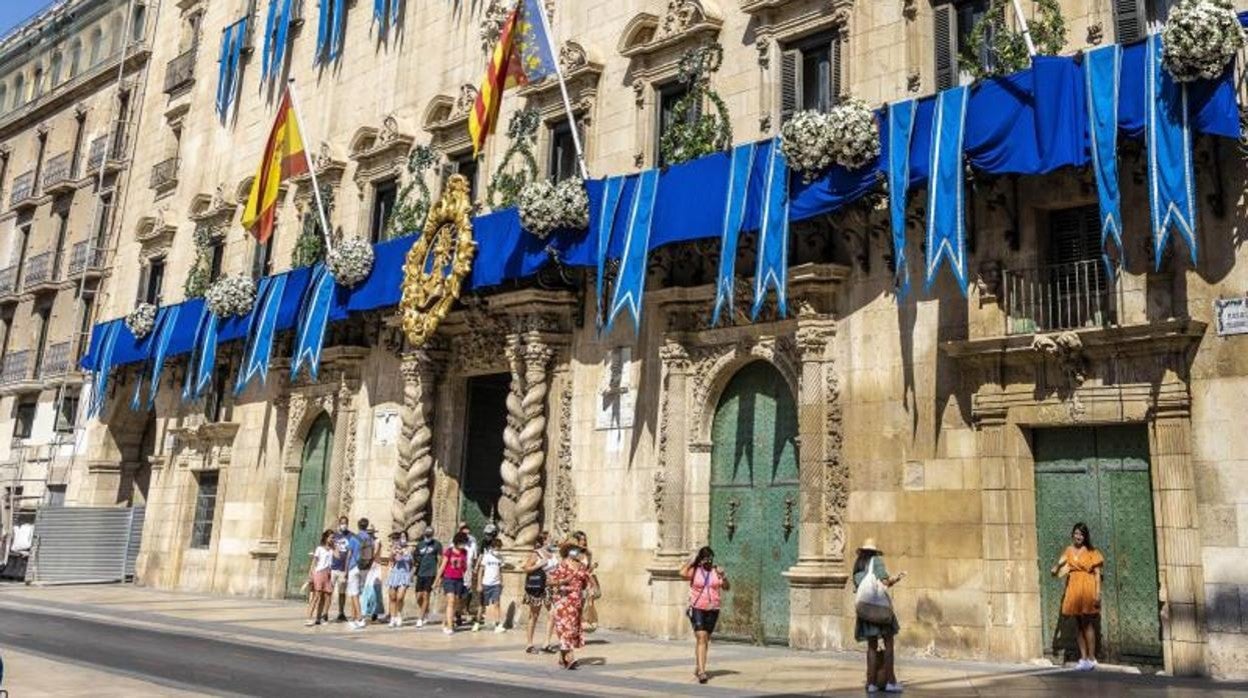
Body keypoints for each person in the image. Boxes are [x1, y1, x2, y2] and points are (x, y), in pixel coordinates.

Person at [1050, 522, 1104, 671]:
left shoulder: (1092, 552)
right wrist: (1056, 568)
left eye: (1081, 534)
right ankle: (1084, 658)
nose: (1078, 536)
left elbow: (1097, 574)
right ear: (1072, 534)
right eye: (1076, 533)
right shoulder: (1069, 550)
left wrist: (1097, 593)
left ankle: (1092, 658)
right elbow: (1060, 564)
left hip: (1087, 588)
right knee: (1078, 625)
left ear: (1085, 536)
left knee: (1087, 623)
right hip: (1073, 587)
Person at [853, 539, 905, 694]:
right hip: (879, 610)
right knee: (888, 642)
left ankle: (871, 683)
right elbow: (885, 581)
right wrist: (897, 578)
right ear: (874, 552)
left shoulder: (858, 566)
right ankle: (890, 681)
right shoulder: (876, 561)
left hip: (865, 612)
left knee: (871, 646)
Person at [680, 547, 728, 684]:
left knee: (705, 639)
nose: (708, 561)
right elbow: (682, 573)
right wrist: (692, 561)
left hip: (713, 609)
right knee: (701, 636)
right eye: (705, 558)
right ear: (701, 559)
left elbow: (726, 587)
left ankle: (699, 665)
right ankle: (702, 671)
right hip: (697, 608)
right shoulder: (695, 571)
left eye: (710, 558)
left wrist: (724, 576)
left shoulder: (715, 571)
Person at [547, 540, 593, 670]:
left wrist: (589, 590)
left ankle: (562, 658)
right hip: (563, 601)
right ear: (568, 551)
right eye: (574, 549)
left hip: (576, 602)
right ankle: (570, 658)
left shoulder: (581, 567)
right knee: (566, 629)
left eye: (578, 550)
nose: (577, 552)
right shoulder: (562, 565)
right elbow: (549, 582)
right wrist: (563, 581)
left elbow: (584, 583)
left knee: (572, 630)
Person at [522, 532, 557, 654]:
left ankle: (546, 642)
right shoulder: (536, 553)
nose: (552, 541)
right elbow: (526, 568)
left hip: (549, 588)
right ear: (544, 540)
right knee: (534, 615)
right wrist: (539, 565)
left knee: (553, 613)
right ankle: (529, 644)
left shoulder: (552, 554)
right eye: (550, 539)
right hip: (538, 587)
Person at [437, 531, 471, 635]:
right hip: (449, 579)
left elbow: (465, 566)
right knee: (451, 601)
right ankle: (450, 626)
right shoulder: (449, 551)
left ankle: (446, 620)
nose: (463, 545)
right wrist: (437, 580)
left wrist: (468, 577)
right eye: (461, 542)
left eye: (464, 543)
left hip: (459, 579)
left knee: (455, 602)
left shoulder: (464, 552)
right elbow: (442, 566)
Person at [412, 526, 442, 627]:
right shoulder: (420, 545)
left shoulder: (437, 545)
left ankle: (420, 618)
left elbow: (439, 560)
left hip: (431, 573)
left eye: (430, 534)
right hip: (420, 573)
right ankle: (425, 610)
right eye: (427, 534)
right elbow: (415, 558)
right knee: (418, 597)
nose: (428, 535)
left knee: (426, 595)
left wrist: (439, 576)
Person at [477, 536, 507, 633]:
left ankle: (498, 624)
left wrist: (502, 582)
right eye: (496, 547)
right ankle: (477, 622)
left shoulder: (500, 558)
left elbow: (501, 571)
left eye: (499, 548)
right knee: (482, 605)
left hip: (496, 584)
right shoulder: (487, 556)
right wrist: (479, 584)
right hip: (486, 583)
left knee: (497, 604)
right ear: (492, 547)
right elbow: (481, 570)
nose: (498, 549)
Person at [305, 530, 335, 626]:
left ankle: (319, 618)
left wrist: (335, 546)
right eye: (331, 537)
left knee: (326, 596)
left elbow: (338, 556)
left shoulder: (331, 550)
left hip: (328, 573)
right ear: (326, 538)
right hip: (319, 573)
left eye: (333, 537)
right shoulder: (319, 549)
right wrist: (310, 574)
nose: (332, 539)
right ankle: (309, 617)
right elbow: (315, 561)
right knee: (316, 595)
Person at [386, 531, 413, 627]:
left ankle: (399, 615)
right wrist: (393, 553)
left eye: (404, 537)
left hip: (404, 574)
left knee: (400, 597)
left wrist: (403, 553)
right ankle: (392, 617)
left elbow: (410, 562)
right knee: (392, 597)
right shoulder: (394, 548)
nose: (402, 539)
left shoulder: (409, 549)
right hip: (394, 574)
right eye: (400, 537)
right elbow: (391, 560)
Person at [329, 516, 353, 622]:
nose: (344, 525)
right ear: (339, 524)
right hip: (333, 567)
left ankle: (341, 612)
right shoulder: (334, 536)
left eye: (346, 523)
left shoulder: (351, 536)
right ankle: (325, 613)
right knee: (329, 591)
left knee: (342, 593)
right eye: (342, 523)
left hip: (343, 569)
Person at [457, 523, 480, 630]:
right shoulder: (455, 542)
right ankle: (457, 613)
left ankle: (464, 609)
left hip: (468, 571)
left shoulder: (473, 542)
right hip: (457, 571)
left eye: (468, 532)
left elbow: (474, 557)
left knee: (467, 592)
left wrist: (475, 570)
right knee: (457, 593)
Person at [344, 525, 365, 630]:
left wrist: (346, 569)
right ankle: (355, 617)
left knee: (354, 593)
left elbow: (349, 554)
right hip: (364, 568)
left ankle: (359, 618)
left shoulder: (353, 538)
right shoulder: (369, 538)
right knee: (358, 592)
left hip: (354, 566)